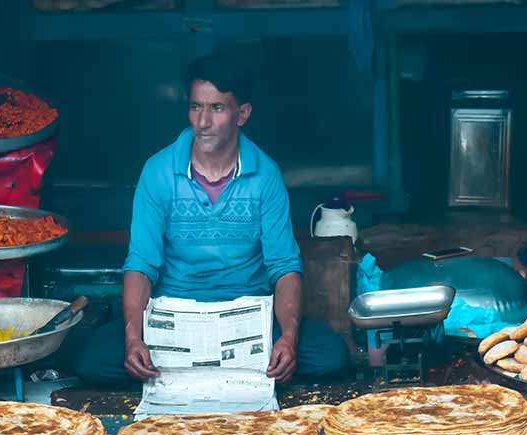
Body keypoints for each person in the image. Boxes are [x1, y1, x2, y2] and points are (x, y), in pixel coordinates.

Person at [75, 54, 351, 387]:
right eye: (195, 107)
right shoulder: (158, 171)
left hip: (247, 319)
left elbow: (283, 267)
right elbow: (141, 265)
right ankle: (213, 368)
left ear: (242, 114)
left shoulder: (265, 175)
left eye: (217, 109)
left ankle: (195, 369)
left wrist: (288, 338)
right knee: (91, 359)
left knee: (331, 355)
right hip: (173, 317)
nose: (202, 122)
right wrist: (135, 338)